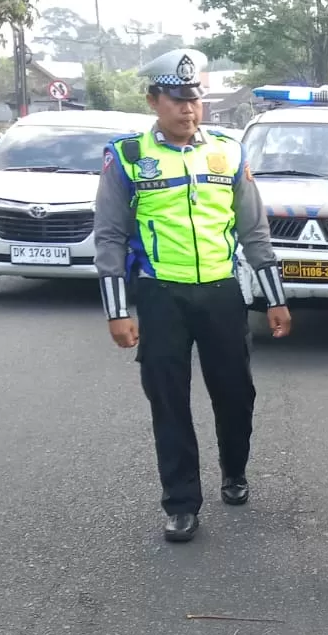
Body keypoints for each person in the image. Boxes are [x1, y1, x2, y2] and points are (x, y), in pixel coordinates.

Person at [93, 48, 291, 543]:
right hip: (162, 295)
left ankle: (234, 468)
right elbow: (110, 237)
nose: (188, 109)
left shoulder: (227, 152)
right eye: (177, 100)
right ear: (153, 100)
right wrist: (118, 312)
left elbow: (254, 231)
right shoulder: (127, 157)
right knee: (169, 401)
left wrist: (275, 298)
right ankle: (180, 502)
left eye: (194, 100)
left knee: (236, 393)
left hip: (223, 292)